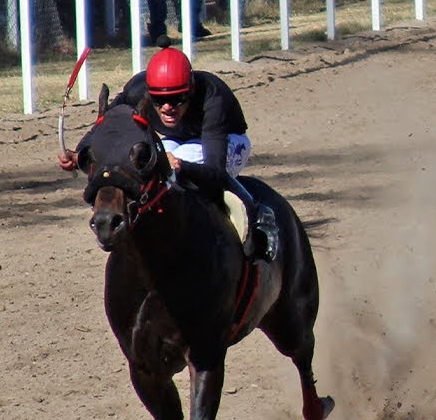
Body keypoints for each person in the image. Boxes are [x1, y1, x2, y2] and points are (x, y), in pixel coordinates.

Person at [59, 40, 277, 260]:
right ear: (148, 92)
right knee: (149, 163)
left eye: (177, 98)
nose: (167, 107)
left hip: (229, 141)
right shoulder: (137, 89)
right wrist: (80, 153)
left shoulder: (213, 98)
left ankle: (258, 214)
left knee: (180, 165)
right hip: (177, 140)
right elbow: (106, 123)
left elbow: (215, 173)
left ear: (191, 91)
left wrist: (183, 167)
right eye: (159, 99)